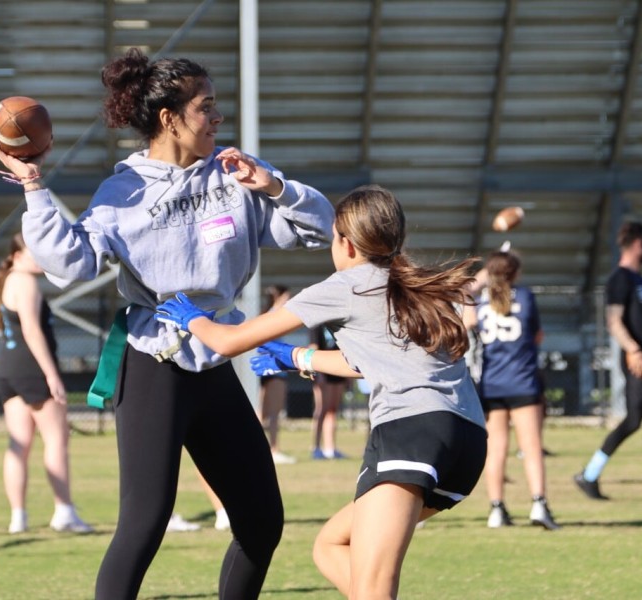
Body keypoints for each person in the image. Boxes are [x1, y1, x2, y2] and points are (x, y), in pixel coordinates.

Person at [0, 47, 334, 599]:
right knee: (144, 523)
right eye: (207, 107)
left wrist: (274, 186)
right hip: (154, 363)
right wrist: (33, 185)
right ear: (170, 117)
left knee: (262, 521)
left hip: (215, 359)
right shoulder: (123, 192)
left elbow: (320, 231)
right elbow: (70, 262)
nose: (218, 118)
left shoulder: (235, 176)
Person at [156, 184, 487, 599]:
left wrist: (190, 318)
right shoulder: (414, 286)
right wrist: (296, 357)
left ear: (346, 243)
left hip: (411, 433)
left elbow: (228, 341)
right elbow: (370, 360)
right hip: (468, 441)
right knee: (330, 544)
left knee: (373, 590)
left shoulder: (345, 286)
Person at [0, 233, 93, 534]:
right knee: (56, 440)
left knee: (19, 444)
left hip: (8, 369)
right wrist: (51, 373)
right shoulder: (26, 282)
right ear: (17, 256)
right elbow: (32, 331)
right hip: (31, 368)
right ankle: (64, 511)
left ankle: (17, 516)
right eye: (34, 254)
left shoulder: (7, 281)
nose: (40, 259)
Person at [468, 249, 560, 530]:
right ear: (516, 273)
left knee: (496, 450)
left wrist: (479, 282)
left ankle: (496, 509)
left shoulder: (482, 302)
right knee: (531, 447)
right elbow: (537, 335)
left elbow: (466, 317)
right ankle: (538, 504)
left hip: (491, 383)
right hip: (522, 381)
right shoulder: (525, 296)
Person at [575, 221, 642, 500]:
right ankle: (589, 474)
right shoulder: (620, 278)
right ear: (638, 244)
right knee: (633, 420)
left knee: (634, 420)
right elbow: (614, 321)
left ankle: (589, 474)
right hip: (637, 361)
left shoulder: (638, 279)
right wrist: (633, 349)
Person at [259, 284, 295, 464]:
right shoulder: (275, 316)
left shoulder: (266, 315)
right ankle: (274, 449)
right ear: (278, 298)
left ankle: (260, 448)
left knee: (264, 413)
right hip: (274, 369)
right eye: (287, 298)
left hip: (266, 370)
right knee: (274, 413)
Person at [309, 324, 349, 460]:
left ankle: (330, 448)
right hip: (322, 370)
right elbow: (313, 347)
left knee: (333, 409)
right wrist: (316, 372)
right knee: (322, 409)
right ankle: (316, 447)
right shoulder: (316, 325)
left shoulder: (337, 322)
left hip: (337, 369)